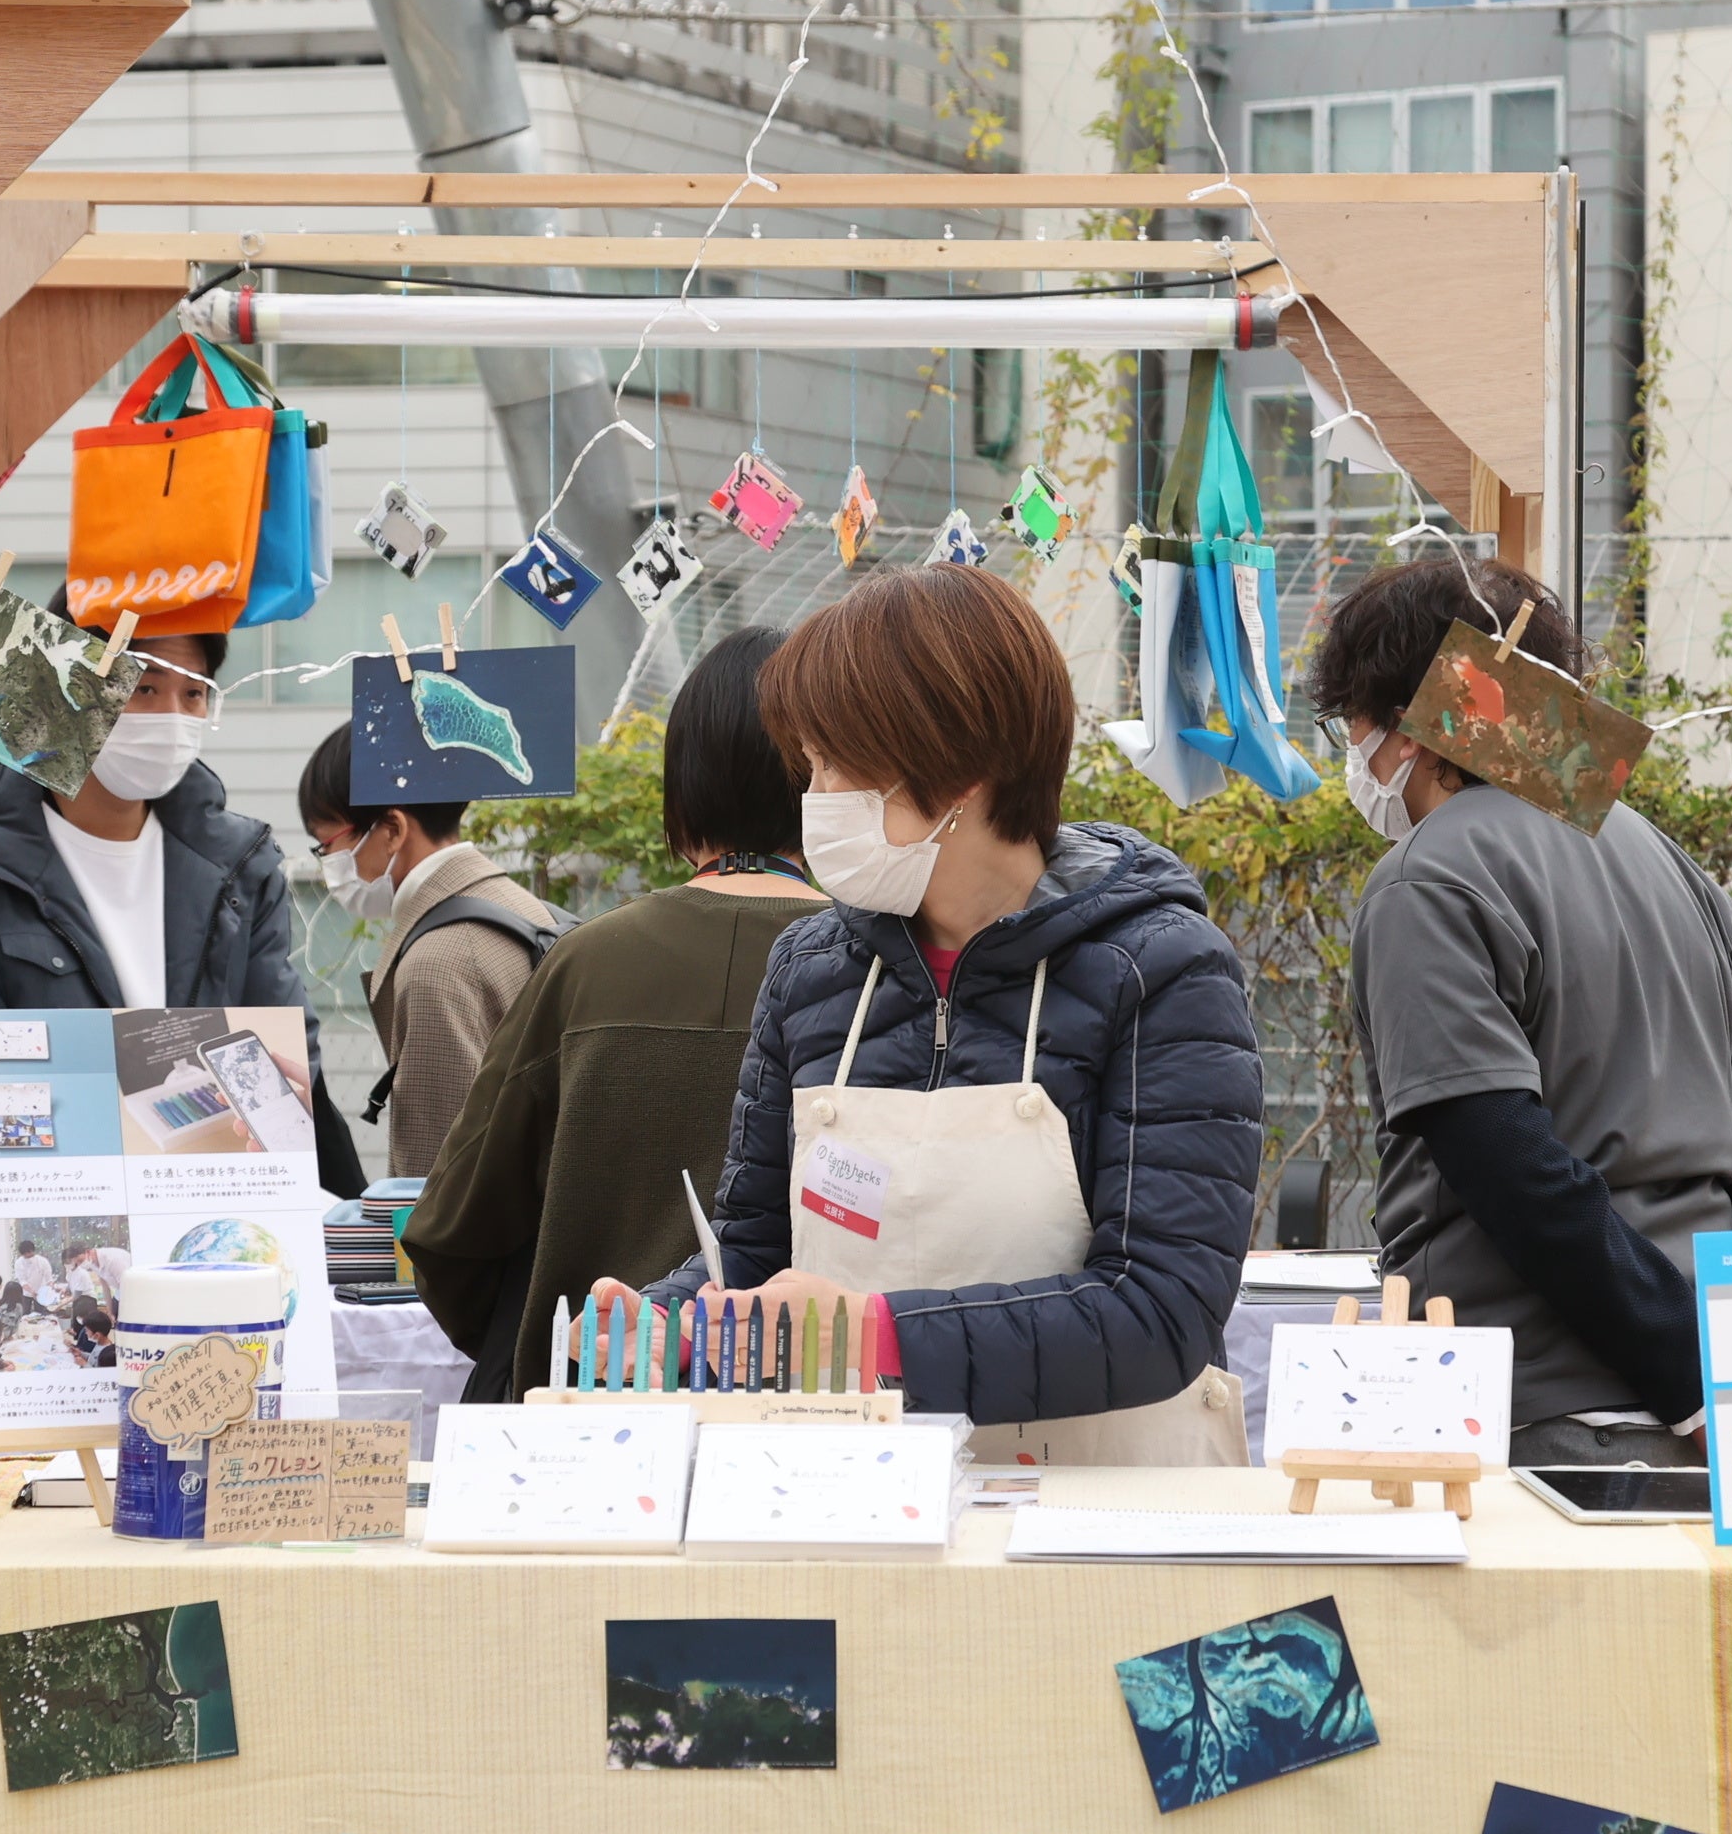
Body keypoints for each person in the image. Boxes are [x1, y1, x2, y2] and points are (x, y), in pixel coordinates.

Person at [611, 568, 1264, 1463]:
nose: (817, 796)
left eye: (838, 762)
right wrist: (671, 1318)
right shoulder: (809, 972)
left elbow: (1160, 1308)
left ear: (961, 771)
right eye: (811, 766)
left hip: (1096, 1522)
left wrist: (870, 1337)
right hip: (853, 1495)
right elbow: (755, 1249)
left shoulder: (1158, 969)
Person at [1301, 555, 1732, 1470]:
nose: (1356, 756)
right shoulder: (1672, 863)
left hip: (1525, 1417)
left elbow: (1513, 1170)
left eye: (1355, 725)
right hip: (1717, 1414)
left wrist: (1685, 1374)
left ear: (1413, 729)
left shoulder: (1425, 883)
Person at [407, 629, 826, 1401]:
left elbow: (448, 1233)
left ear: (684, 785)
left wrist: (537, 1339)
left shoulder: (584, 965)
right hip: (813, 1430)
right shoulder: (883, 972)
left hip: (580, 1428)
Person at [0, 620, 368, 1198]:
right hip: (55, 1203)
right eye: (144, 688)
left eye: (194, 693)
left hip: (220, 1201)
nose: (173, 717)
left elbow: (283, 1049)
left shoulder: (242, 860)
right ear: (69, 691)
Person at [299, 734, 568, 1181]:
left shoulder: (437, 961)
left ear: (392, 830)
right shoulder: (522, 908)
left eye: (328, 844)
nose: (329, 863)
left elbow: (440, 1181)